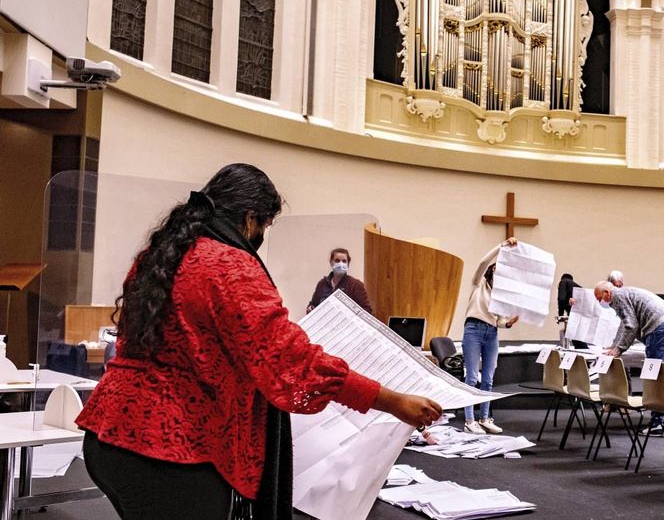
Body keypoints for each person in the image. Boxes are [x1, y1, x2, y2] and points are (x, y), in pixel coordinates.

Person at [76, 164, 441, 519]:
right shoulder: (230, 265)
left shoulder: (160, 255)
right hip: (172, 448)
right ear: (251, 219)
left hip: (110, 435)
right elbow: (290, 361)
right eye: (265, 225)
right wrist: (391, 400)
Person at [596, 281, 664, 434]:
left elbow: (631, 326)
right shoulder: (627, 293)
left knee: (655, 375)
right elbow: (625, 324)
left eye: (599, 298)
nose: (599, 302)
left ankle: (657, 422)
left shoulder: (617, 297)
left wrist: (619, 350)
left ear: (607, 293)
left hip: (660, 327)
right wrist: (615, 345)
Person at [462, 238, 520, 434]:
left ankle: (485, 418)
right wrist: (501, 247)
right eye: (497, 269)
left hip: (492, 333)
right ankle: (469, 420)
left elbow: (500, 321)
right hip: (474, 329)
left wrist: (510, 322)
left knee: (488, 378)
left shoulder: (501, 295)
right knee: (471, 377)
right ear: (491, 271)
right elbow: (482, 263)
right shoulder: (478, 284)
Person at [307, 247, 372, 314]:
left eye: (344, 261)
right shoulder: (322, 284)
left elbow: (367, 310)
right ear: (331, 262)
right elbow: (313, 305)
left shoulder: (355, 285)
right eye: (337, 260)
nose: (341, 264)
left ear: (348, 264)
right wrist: (310, 308)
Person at [556, 273, 587, 349]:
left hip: (574, 311)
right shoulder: (575, 285)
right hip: (583, 310)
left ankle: (581, 349)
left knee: (573, 331)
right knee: (578, 332)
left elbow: (561, 298)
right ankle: (583, 349)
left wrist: (560, 314)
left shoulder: (563, 282)